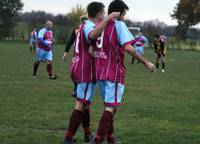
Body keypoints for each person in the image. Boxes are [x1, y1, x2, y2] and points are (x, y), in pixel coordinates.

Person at [90, 0, 156, 143]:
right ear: (119, 13)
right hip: (113, 73)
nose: (125, 18)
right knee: (111, 108)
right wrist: (146, 62)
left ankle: (111, 139)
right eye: (124, 14)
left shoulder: (99, 26)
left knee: (110, 107)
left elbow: (91, 47)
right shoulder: (119, 25)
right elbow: (129, 48)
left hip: (100, 72)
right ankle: (98, 140)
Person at [62, 2, 120, 144]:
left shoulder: (82, 25)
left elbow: (89, 47)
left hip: (77, 66)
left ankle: (87, 134)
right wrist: (108, 20)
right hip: (85, 70)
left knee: (85, 103)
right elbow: (92, 35)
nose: (104, 15)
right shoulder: (89, 26)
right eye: (103, 13)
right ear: (100, 14)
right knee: (81, 104)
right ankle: (67, 139)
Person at [63, 16, 88, 97]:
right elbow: (70, 41)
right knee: (72, 72)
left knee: (81, 72)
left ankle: (79, 90)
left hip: (85, 54)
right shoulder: (76, 30)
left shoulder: (88, 29)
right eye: (82, 21)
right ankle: (76, 87)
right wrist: (65, 52)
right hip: (76, 54)